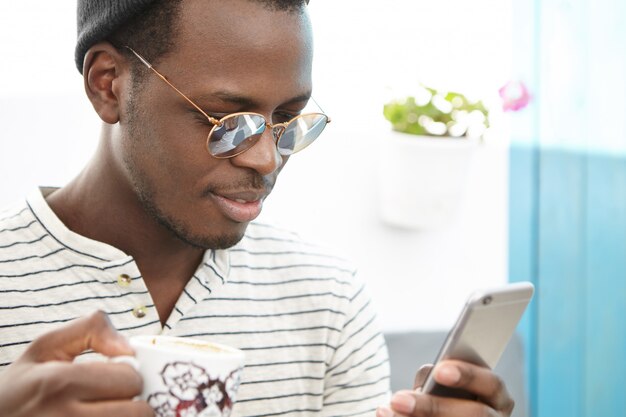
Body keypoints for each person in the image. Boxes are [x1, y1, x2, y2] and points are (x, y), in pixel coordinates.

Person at [0, 0, 515, 416]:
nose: (267, 161)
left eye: (287, 120)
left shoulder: (327, 300)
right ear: (108, 82)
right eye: (227, 120)